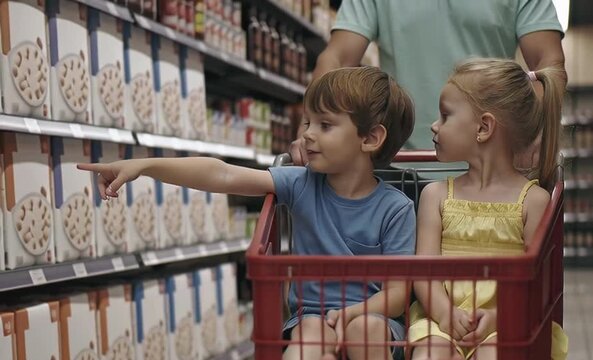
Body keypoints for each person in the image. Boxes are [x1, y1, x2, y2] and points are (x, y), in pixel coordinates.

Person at [78, 66, 416, 360]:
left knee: (365, 330)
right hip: (311, 317)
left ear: (370, 138)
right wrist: (145, 165)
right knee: (310, 331)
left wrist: (349, 315)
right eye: (309, 121)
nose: (308, 134)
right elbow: (222, 174)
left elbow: (397, 296)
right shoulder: (300, 183)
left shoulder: (396, 208)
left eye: (325, 125)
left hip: (372, 319)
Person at [408, 58, 567, 360]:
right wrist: (445, 315)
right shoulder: (435, 195)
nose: (434, 125)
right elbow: (424, 272)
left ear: (483, 127)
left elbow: (537, 282)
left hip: (508, 319)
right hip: (441, 320)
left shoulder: (533, 201)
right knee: (430, 353)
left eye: (445, 115)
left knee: (496, 353)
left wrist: (496, 317)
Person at [291, 0, 566, 169]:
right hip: (400, 168)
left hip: (493, 164)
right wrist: (311, 129)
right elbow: (337, 57)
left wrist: (536, 132)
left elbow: (547, 63)